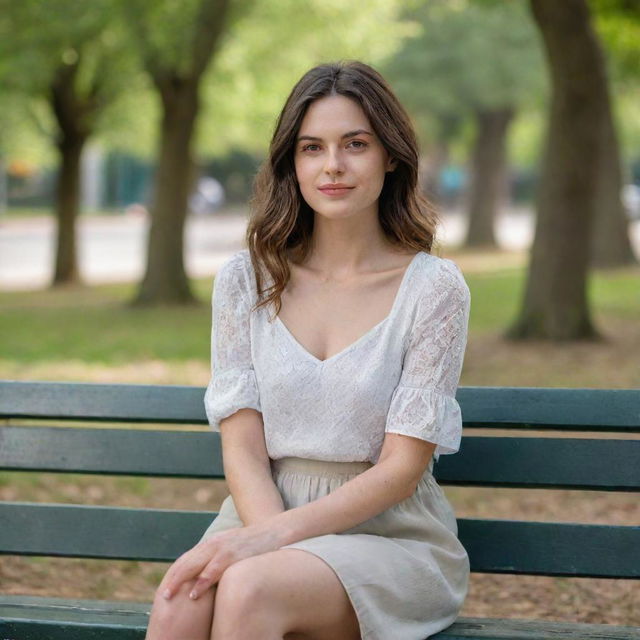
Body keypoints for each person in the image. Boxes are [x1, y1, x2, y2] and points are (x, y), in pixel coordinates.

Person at [145, 59, 471, 640]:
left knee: (250, 591)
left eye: (356, 144)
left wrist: (275, 545)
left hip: (389, 535)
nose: (334, 167)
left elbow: (402, 468)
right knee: (179, 600)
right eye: (311, 148)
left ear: (390, 155)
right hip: (258, 512)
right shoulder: (247, 280)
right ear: (291, 163)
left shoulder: (433, 290)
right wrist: (268, 535)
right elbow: (243, 448)